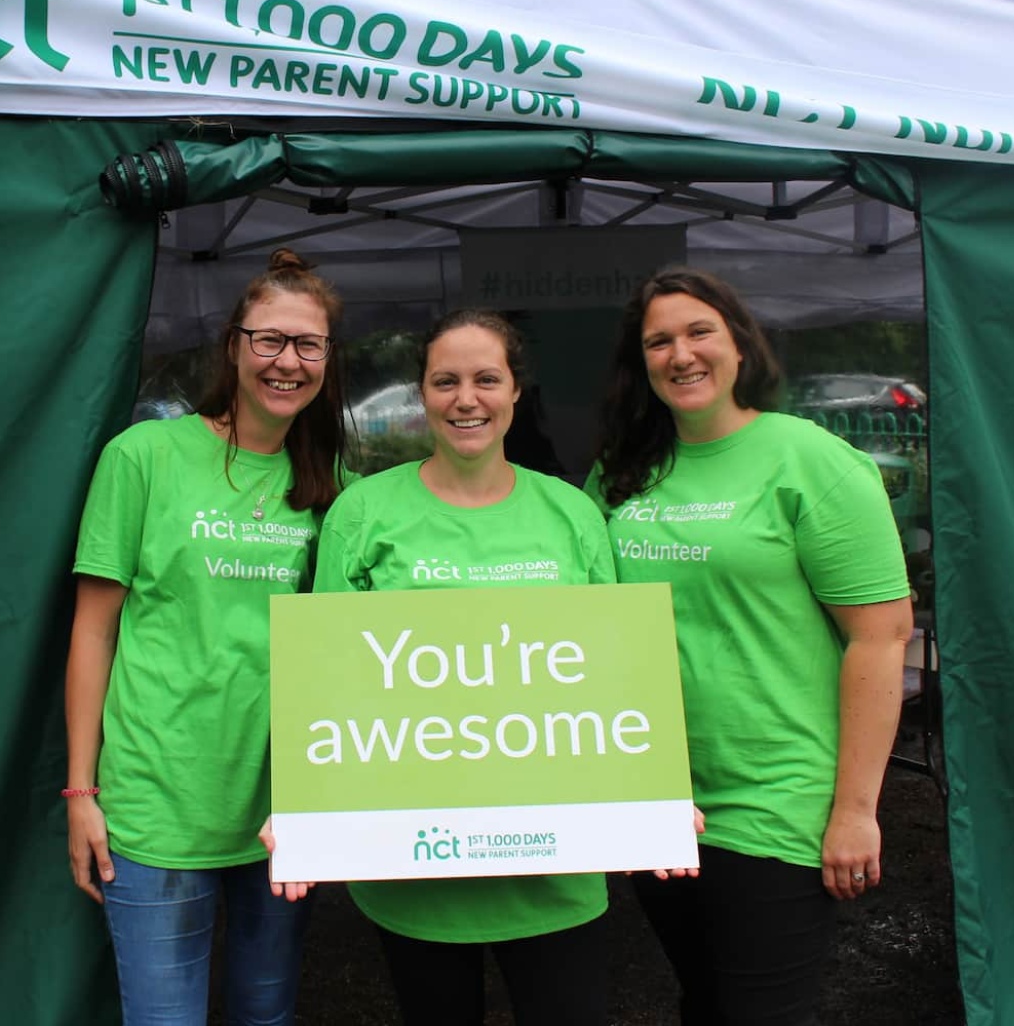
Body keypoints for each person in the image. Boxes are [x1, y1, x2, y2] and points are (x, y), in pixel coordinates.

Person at [588, 268, 913, 1026]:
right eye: (658, 342)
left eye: (699, 331)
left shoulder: (812, 461)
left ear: (740, 344)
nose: (681, 354)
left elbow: (880, 636)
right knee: (704, 1002)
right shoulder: (621, 474)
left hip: (776, 798)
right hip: (663, 798)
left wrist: (856, 810)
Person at [307, 309, 620, 1026]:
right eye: (445, 381)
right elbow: (331, 684)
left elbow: (611, 675)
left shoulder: (572, 513)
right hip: (416, 862)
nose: (465, 398)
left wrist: (651, 796)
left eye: (486, 379)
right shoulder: (362, 512)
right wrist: (307, 809)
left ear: (516, 391)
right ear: (422, 393)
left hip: (554, 861)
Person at [63, 248, 348, 1026]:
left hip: (282, 805)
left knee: (267, 1013)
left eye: (308, 344)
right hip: (156, 799)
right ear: (233, 345)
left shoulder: (334, 487)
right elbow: (93, 630)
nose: (287, 361)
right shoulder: (144, 456)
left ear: (328, 359)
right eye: (269, 339)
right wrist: (81, 793)